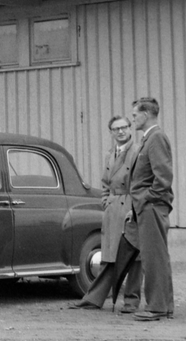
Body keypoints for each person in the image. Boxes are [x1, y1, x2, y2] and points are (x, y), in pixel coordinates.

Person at [70, 115, 144, 312]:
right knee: (109, 256)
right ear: (111, 132)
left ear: (130, 129)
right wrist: (105, 200)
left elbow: (140, 184)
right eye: (116, 129)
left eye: (124, 127)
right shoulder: (110, 154)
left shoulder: (137, 152)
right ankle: (94, 298)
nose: (120, 132)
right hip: (113, 209)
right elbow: (105, 183)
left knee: (133, 256)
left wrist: (134, 209)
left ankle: (131, 301)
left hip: (130, 207)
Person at [117, 97, 175, 321]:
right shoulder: (148, 138)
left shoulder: (156, 138)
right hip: (147, 206)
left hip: (151, 206)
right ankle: (163, 306)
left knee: (153, 259)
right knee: (157, 257)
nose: (132, 120)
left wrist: (145, 199)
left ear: (146, 114)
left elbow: (163, 178)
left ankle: (156, 307)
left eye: (134, 115)